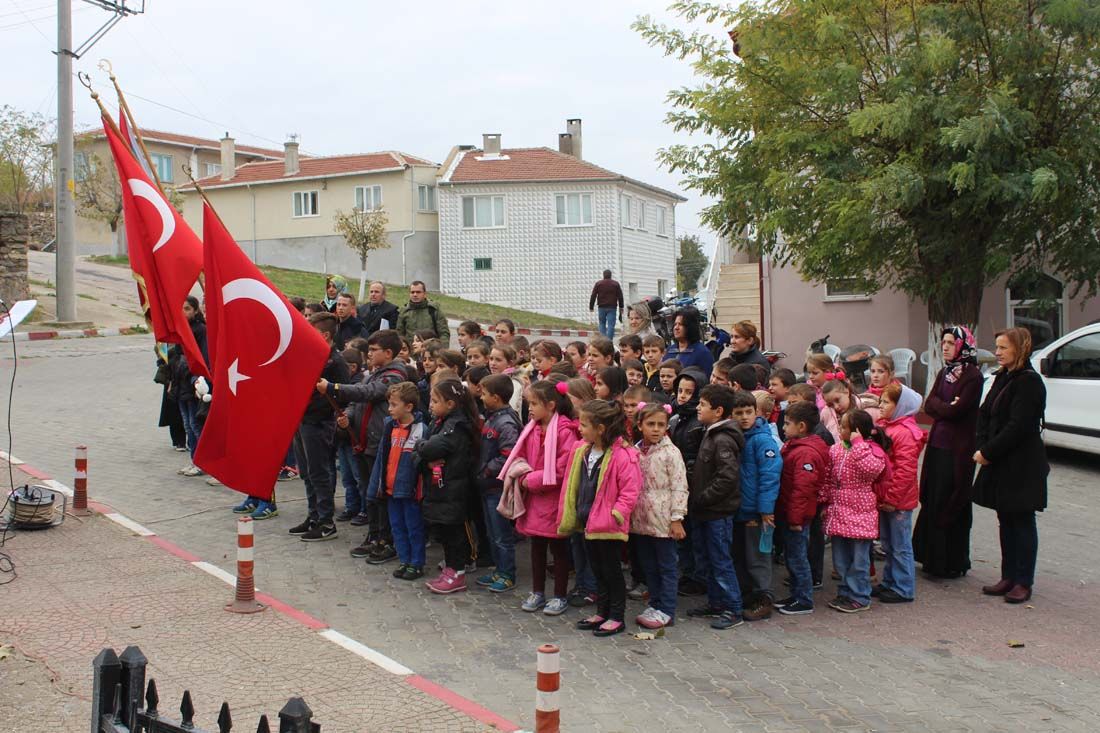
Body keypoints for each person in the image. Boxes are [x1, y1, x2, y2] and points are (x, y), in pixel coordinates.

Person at [972, 327, 1049, 604]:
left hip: (1022, 464)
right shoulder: (1003, 377)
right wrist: (982, 444)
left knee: (1022, 520)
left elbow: (1019, 426)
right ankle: (1008, 575)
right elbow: (985, 414)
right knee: (1005, 518)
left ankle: (1023, 581)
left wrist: (988, 451)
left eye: (1003, 347)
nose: (997, 352)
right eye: (997, 347)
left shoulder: (1029, 382)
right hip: (1000, 461)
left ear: (1020, 348)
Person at [557, 399, 642, 637]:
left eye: (584, 425)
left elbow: (630, 490)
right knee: (597, 570)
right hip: (588, 522)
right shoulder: (584, 450)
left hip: (608, 525)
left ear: (601, 428)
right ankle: (601, 612)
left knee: (611, 571)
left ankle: (616, 616)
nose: (579, 428)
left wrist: (617, 514)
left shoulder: (623, 455)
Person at [325, 329, 410, 560]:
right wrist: (349, 416)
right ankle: (373, 536)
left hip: (379, 444)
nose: (369, 354)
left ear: (388, 353)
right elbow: (357, 401)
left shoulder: (394, 377)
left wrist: (333, 388)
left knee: (380, 496)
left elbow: (369, 393)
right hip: (363, 442)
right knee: (369, 494)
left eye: (374, 350)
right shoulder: (372, 373)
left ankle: (386, 541)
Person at [502, 380, 580, 615]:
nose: (530, 409)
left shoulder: (565, 431)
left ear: (551, 405)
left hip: (554, 500)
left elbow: (562, 469)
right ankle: (537, 592)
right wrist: (521, 473)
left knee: (559, 550)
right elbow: (521, 455)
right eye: (529, 403)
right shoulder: (532, 429)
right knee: (536, 548)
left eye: (534, 404)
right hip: (535, 500)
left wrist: (530, 480)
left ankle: (559, 595)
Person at [913, 326, 982, 580]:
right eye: (943, 342)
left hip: (957, 449)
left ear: (963, 346)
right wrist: (945, 407)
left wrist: (943, 408)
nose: (945, 347)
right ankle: (930, 558)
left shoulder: (973, 376)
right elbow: (929, 403)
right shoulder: (945, 372)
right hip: (938, 444)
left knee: (951, 499)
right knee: (933, 496)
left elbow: (957, 411)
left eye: (951, 343)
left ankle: (950, 562)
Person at [685, 384, 746, 630]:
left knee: (720, 560)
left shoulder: (722, 439)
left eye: (703, 405)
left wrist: (703, 497)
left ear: (718, 411)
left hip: (716, 512)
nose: (698, 408)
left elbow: (727, 477)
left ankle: (733, 608)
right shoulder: (709, 433)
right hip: (704, 511)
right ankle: (716, 602)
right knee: (708, 560)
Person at [822, 410, 891, 613]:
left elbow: (872, 470)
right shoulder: (835, 450)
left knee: (859, 561)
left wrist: (858, 445)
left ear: (857, 431)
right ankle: (845, 592)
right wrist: (824, 501)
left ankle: (860, 596)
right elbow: (827, 477)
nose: (840, 430)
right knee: (841, 559)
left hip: (861, 513)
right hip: (838, 511)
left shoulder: (871, 450)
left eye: (844, 427)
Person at [418, 379, 480, 594]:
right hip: (441, 489)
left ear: (451, 404)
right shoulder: (440, 421)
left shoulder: (457, 426)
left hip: (454, 489)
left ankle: (458, 573)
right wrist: (424, 455)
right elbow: (422, 448)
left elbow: (429, 448)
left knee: (454, 534)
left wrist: (422, 448)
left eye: (435, 401)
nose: (431, 405)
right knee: (444, 532)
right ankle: (450, 570)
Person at [293, 313, 351, 542]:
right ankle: (314, 515)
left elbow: (342, 393)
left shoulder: (335, 362)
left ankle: (326, 522)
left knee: (319, 473)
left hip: (319, 423)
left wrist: (314, 407)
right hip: (302, 420)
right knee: (307, 472)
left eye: (313, 331)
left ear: (325, 335)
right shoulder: (311, 355)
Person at [632, 401, 688, 630]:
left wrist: (677, 518)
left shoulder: (671, 453)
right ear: (640, 425)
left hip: (664, 521)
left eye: (660, 425)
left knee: (667, 566)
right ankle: (654, 603)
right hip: (641, 519)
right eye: (651, 424)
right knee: (649, 565)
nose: (656, 429)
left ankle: (667, 609)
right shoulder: (635, 451)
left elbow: (680, 486)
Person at [365, 382, 428, 580]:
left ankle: (416, 563)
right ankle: (404, 560)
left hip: (409, 491)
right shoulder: (389, 427)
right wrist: (377, 486)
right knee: (397, 527)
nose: (389, 409)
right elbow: (381, 459)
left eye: (394, 405)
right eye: (389, 404)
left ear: (408, 407)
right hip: (391, 489)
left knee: (414, 528)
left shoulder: (421, 430)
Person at [731, 390, 783, 621]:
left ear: (756, 412)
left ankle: (764, 598)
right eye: (739, 413)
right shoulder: (736, 437)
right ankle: (747, 597)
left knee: (758, 557)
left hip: (757, 511)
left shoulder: (762, 440)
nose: (744, 417)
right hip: (739, 508)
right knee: (741, 556)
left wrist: (766, 508)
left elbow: (770, 475)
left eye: (748, 412)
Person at [775, 401, 830, 615]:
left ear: (801, 426)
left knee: (798, 558)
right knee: (792, 556)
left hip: (797, 517)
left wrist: (795, 519)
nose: (783, 427)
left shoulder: (806, 453)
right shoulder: (795, 446)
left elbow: (803, 489)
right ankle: (796, 594)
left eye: (787, 423)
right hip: (790, 512)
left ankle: (804, 599)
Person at [874, 382, 925, 603]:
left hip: (898, 500)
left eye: (886, 402)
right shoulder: (888, 426)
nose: (881, 405)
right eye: (881, 401)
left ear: (901, 406)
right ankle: (889, 581)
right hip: (887, 496)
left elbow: (905, 471)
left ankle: (903, 587)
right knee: (888, 543)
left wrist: (892, 498)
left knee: (900, 545)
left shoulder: (905, 433)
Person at [472, 374, 523, 593]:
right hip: (487, 486)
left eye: (484, 394)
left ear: (496, 397)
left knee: (502, 534)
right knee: (492, 533)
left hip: (497, 487)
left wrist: (486, 470)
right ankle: (498, 570)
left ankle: (507, 574)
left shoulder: (506, 422)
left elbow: (508, 455)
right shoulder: (492, 417)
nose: (481, 397)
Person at [170, 296, 210, 477]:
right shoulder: (182, 329)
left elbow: (202, 359)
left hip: (193, 383)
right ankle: (194, 460)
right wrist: (172, 382)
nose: (184, 312)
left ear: (195, 310)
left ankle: (203, 462)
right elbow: (177, 357)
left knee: (196, 424)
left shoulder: (201, 330)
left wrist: (198, 382)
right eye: (181, 309)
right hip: (181, 382)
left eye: (187, 309)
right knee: (187, 424)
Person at [664, 307, 714, 380]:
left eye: (681, 324)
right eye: (675, 324)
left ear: (690, 327)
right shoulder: (670, 350)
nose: (676, 328)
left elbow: (706, 379)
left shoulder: (702, 353)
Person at [397, 280, 450, 347]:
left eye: (418, 292)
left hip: (430, 350)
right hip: (412, 350)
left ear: (425, 294)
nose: (415, 295)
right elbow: (400, 335)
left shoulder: (433, 310)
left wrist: (443, 349)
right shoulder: (404, 311)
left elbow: (444, 333)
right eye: (412, 292)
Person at [589, 269, 624, 339]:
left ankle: (603, 340)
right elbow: (620, 296)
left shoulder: (598, 284)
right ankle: (609, 341)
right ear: (611, 275)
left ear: (603, 275)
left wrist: (591, 306)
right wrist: (621, 307)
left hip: (601, 307)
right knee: (611, 325)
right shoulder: (616, 284)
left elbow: (593, 295)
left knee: (602, 324)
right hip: (612, 307)